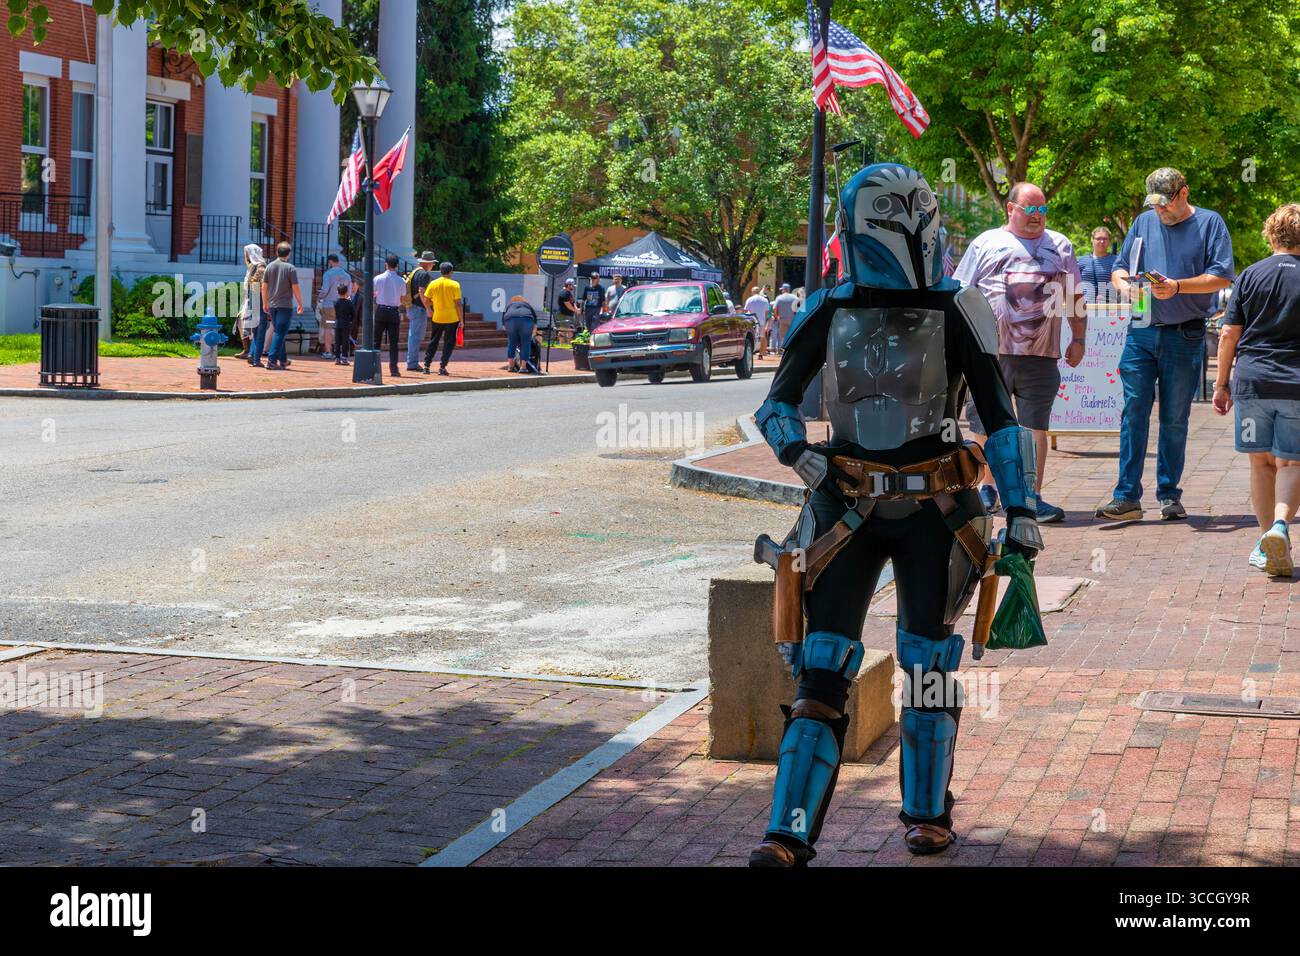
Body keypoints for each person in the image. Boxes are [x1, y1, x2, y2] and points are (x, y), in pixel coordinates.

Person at [748, 162, 1042, 866]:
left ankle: (929, 814)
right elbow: (775, 403)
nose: (907, 227)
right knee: (821, 670)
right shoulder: (829, 307)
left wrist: (1023, 509)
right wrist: (799, 453)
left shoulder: (956, 306)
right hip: (846, 500)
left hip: (935, 506)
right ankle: (788, 834)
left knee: (929, 665)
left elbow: (1001, 418)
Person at [1099, 167, 1235, 522]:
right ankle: (1126, 496)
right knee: (1133, 412)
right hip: (1141, 330)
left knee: (1175, 418)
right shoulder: (1143, 222)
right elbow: (1119, 266)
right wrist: (1124, 285)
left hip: (1185, 333)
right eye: (1155, 206)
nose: (1161, 212)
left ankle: (1168, 494)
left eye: (1166, 205)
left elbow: (1221, 275)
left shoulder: (1210, 223)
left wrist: (1177, 287)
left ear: (1184, 193)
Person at [953, 180, 1087, 524]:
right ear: (1011, 209)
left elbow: (1074, 297)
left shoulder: (1060, 246)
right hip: (989, 353)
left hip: (1042, 356)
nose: (1037, 216)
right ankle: (986, 489)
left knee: (1034, 429)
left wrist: (1079, 338)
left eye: (1042, 210)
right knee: (984, 424)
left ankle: (1033, 498)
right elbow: (960, 294)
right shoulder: (986, 243)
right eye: (1030, 209)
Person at [1212, 204, 1300, 576]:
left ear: (1271, 235)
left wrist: (1221, 383)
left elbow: (1229, 333)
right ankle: (1281, 524)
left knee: (1260, 463)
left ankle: (1266, 541)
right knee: (1292, 461)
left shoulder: (1249, 275)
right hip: (1296, 382)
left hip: (1253, 380)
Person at [260, 241, 303, 370]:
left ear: (277, 252)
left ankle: (283, 360)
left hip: (272, 304)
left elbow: (264, 287)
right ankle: (272, 360)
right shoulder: (290, 268)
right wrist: (300, 303)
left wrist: (264, 303)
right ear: (288, 254)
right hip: (285, 305)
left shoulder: (269, 267)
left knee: (280, 332)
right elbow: (295, 288)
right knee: (280, 332)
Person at [423, 261, 464, 376]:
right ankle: (442, 367)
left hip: (437, 317)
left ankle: (426, 365)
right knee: (448, 343)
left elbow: (426, 300)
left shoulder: (433, 284)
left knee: (433, 341)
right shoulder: (455, 285)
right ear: (451, 272)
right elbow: (458, 303)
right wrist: (461, 320)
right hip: (451, 318)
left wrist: (430, 308)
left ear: (440, 271)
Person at [372, 254, 406, 377]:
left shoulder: (377, 278)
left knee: (376, 341)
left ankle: (374, 366)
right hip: (393, 311)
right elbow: (402, 298)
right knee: (393, 342)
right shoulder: (401, 280)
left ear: (386, 264)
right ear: (397, 265)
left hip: (381, 310)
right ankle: (394, 369)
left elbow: (373, 294)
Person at [404, 251, 437, 372]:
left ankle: (411, 361)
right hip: (419, 308)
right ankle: (412, 363)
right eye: (432, 263)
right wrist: (428, 308)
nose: (433, 265)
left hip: (412, 306)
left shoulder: (415, 272)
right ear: (427, 263)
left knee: (413, 336)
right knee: (416, 337)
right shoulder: (423, 274)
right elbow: (422, 291)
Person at [317, 253, 350, 358]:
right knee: (339, 328)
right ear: (338, 262)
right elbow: (349, 293)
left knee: (328, 327)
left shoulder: (328, 274)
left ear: (330, 262)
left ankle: (328, 351)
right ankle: (339, 351)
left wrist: (320, 297)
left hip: (329, 305)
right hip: (342, 305)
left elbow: (325, 289)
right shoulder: (346, 275)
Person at [239, 243, 267, 365]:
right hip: (258, 300)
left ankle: (252, 354)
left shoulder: (257, 267)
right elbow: (261, 286)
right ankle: (255, 357)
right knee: (260, 329)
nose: (246, 257)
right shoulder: (259, 266)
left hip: (253, 300)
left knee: (256, 329)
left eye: (247, 254)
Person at [1077, 227, 1119, 305]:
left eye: (1105, 239)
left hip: (1109, 307)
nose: (1102, 241)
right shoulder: (1080, 261)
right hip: (1084, 306)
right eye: (1098, 238)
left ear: (1109, 241)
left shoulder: (1117, 261)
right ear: (1092, 240)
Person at [502, 295, 538, 373]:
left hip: (510, 320)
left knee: (511, 343)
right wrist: (532, 332)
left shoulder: (509, 305)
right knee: (525, 343)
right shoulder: (527, 305)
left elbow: (504, 325)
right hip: (526, 319)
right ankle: (523, 367)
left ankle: (511, 366)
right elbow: (535, 320)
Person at [771, 283, 799, 353]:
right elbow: (799, 308)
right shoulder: (795, 297)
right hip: (793, 319)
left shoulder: (779, 297)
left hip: (782, 319)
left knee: (782, 336)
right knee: (792, 334)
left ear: (784, 290)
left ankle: (783, 350)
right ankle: (792, 349)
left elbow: (774, 308)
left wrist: (776, 316)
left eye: (782, 289)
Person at [332, 283, 355, 366]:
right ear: (346, 292)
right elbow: (353, 313)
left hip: (337, 323)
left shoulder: (335, 302)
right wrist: (350, 320)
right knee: (345, 341)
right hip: (346, 324)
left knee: (337, 341)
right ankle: (344, 358)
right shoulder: (349, 303)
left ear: (337, 292)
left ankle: (337, 358)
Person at [745, 285, 772, 357]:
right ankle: (761, 353)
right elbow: (767, 311)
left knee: (751, 336)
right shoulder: (764, 300)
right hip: (761, 321)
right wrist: (765, 319)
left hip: (752, 321)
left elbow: (746, 310)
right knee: (762, 336)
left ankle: (750, 352)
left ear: (752, 292)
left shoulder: (750, 299)